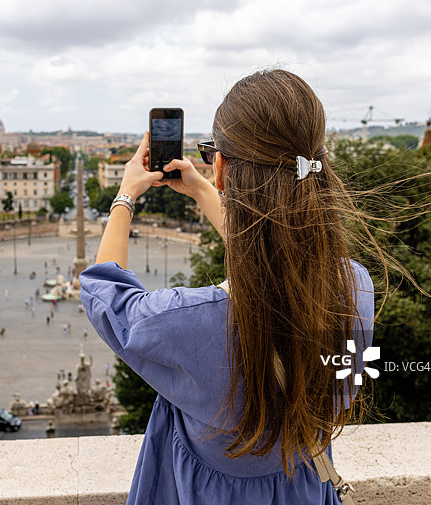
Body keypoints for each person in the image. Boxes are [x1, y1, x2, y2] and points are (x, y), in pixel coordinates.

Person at [79, 70, 375, 504]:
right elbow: (274, 257)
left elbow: (106, 292)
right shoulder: (356, 288)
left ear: (220, 167)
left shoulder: (186, 322)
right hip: (302, 488)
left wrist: (125, 197)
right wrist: (202, 190)